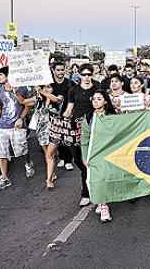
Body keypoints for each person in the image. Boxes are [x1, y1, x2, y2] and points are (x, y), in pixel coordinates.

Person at [0, 66, 35, 190]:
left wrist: (21, 118)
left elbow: (27, 105)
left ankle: (28, 163)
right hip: (3, 127)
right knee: (1, 154)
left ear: (8, 75)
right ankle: (4, 178)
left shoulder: (21, 88)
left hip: (17, 126)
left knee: (21, 150)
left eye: (0, 74)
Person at [63, 63, 98, 206]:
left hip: (94, 129)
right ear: (79, 75)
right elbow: (69, 109)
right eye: (84, 74)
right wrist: (62, 117)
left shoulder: (97, 89)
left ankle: (87, 193)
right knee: (78, 160)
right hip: (75, 129)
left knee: (89, 162)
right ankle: (89, 186)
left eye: (89, 74)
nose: (87, 77)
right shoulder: (73, 90)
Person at [81, 90, 116, 222]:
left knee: (107, 179)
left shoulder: (112, 116)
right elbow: (84, 139)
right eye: (94, 99)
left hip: (109, 153)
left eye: (99, 99)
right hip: (94, 154)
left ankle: (101, 200)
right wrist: (85, 157)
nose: (96, 101)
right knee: (97, 180)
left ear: (106, 101)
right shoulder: (89, 117)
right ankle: (103, 206)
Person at [33, 84, 65, 189]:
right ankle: (52, 172)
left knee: (50, 154)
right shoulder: (38, 100)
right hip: (41, 131)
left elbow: (57, 100)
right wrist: (16, 92)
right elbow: (23, 102)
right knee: (48, 154)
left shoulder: (58, 96)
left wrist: (42, 92)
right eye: (44, 87)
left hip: (55, 130)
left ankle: (49, 180)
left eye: (49, 87)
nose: (47, 89)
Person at [50, 62, 75, 171]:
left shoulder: (70, 83)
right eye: (58, 70)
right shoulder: (49, 84)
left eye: (62, 70)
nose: (60, 72)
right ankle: (62, 158)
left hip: (67, 115)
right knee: (57, 138)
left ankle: (68, 160)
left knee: (67, 138)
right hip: (53, 116)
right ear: (53, 70)